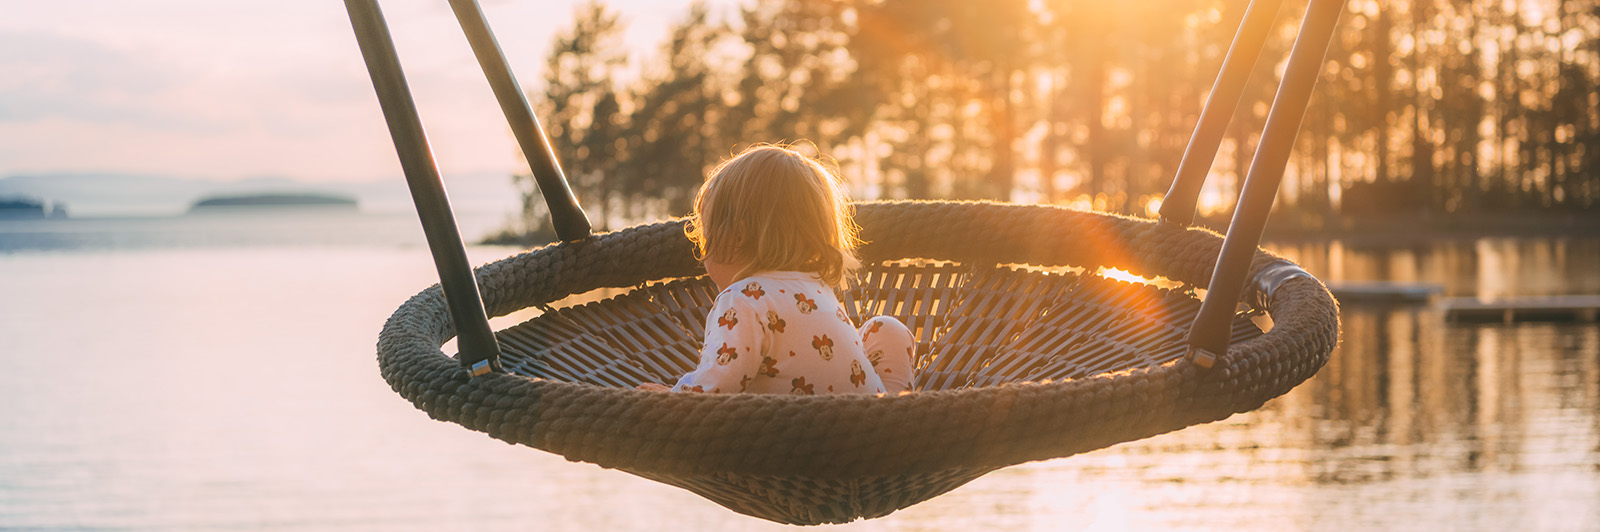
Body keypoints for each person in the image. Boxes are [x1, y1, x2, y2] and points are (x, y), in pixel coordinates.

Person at [637, 144, 915, 395]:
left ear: (736, 237)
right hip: (869, 422)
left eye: (705, 238)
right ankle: (896, 412)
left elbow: (716, 386)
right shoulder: (818, 288)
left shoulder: (740, 299)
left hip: (801, 436)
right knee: (886, 329)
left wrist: (670, 397)